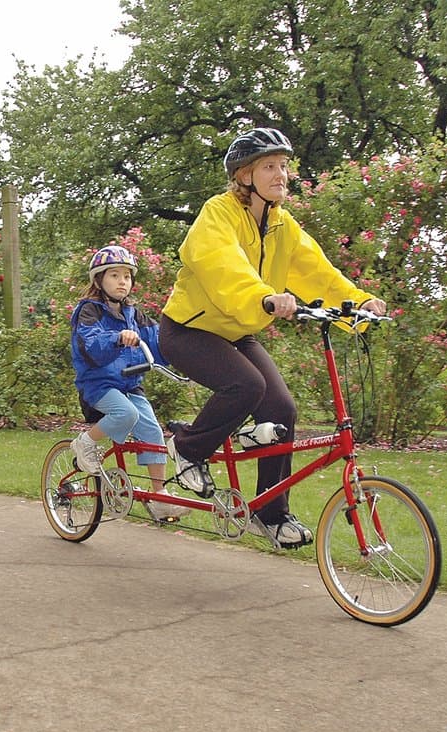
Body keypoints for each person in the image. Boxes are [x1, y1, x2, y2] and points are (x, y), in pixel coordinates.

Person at [158, 128, 387, 547]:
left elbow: (317, 271)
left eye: (283, 166)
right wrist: (263, 297)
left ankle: (270, 511)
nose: (281, 174)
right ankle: (189, 448)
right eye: (269, 166)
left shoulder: (283, 225)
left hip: (238, 329)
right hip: (188, 329)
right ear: (245, 175)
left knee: (281, 408)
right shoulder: (218, 213)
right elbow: (222, 265)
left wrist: (358, 301)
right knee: (246, 385)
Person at [69, 245, 188, 522]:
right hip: (97, 385)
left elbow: (159, 342)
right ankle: (84, 443)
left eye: (127, 276)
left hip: (128, 383)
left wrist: (185, 347)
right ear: (99, 280)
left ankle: (159, 496)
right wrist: (117, 337)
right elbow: (92, 345)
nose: (122, 281)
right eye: (114, 275)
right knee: (127, 413)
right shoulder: (89, 311)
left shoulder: (134, 315)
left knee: (152, 431)